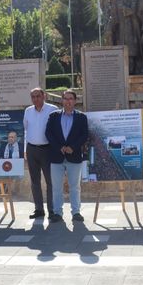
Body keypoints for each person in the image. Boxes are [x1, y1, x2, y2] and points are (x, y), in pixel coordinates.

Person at [45, 90, 88, 223]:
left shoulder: (81, 117)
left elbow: (84, 135)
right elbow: (48, 134)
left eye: (71, 99)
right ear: (62, 100)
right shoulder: (53, 116)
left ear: (75, 101)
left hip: (74, 156)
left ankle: (76, 213)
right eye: (65, 98)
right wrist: (60, 147)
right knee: (56, 187)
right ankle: (57, 213)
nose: (68, 101)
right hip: (56, 156)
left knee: (74, 186)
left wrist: (72, 147)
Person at [23, 88, 58, 220]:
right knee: (34, 181)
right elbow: (26, 130)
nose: (35, 99)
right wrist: (25, 150)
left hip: (48, 150)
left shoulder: (52, 109)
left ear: (44, 96)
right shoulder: (28, 111)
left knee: (51, 181)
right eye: (33, 97)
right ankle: (39, 209)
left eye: (38, 96)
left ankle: (52, 209)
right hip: (32, 149)